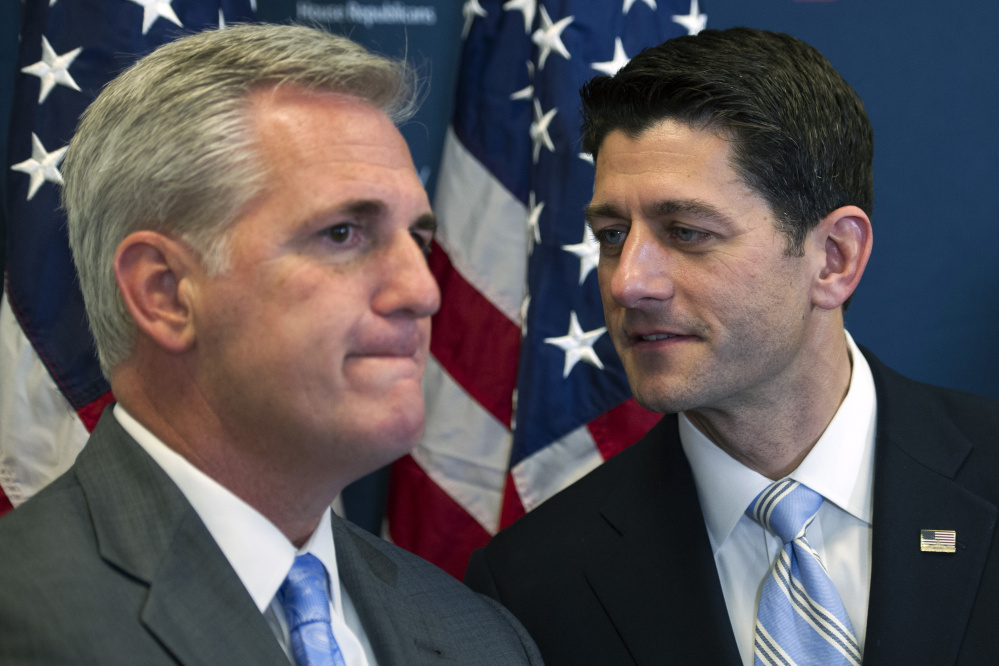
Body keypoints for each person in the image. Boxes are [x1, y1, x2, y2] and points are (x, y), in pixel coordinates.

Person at [0, 24, 541, 665]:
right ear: (165, 292)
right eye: (343, 233)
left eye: (418, 241)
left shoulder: (485, 640)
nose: (422, 292)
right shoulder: (24, 622)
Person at [465, 27, 999, 665]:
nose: (628, 282)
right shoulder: (530, 584)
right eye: (612, 234)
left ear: (834, 258)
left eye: (686, 232)